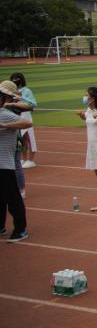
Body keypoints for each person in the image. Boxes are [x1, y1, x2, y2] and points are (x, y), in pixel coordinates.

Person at [0, 80, 32, 241]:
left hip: (4, 164)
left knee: (12, 198)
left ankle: (20, 229)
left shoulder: (5, 113)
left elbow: (28, 121)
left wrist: (4, 124)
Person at [9, 73, 37, 168]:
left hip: (26, 116)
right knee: (21, 139)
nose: (14, 80)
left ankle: (31, 160)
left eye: (16, 78)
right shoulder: (11, 91)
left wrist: (20, 97)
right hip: (16, 116)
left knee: (29, 138)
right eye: (13, 78)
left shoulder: (27, 90)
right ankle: (23, 159)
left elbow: (33, 103)